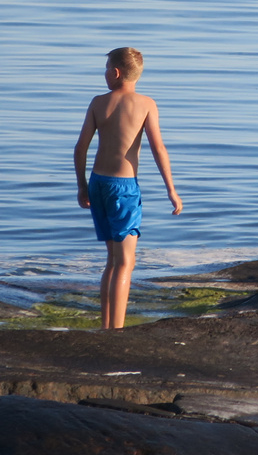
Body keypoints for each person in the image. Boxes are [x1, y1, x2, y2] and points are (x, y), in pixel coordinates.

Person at [74, 47, 182, 330]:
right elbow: (159, 149)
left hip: (98, 183)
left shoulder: (98, 103)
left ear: (116, 72)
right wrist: (171, 189)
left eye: (106, 67)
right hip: (124, 188)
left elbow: (80, 149)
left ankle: (107, 325)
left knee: (112, 260)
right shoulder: (146, 104)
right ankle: (116, 331)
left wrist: (82, 186)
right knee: (125, 263)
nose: (105, 73)